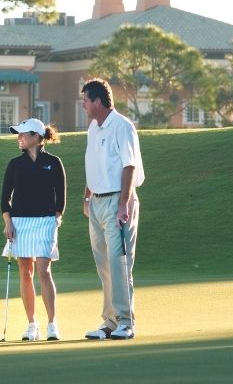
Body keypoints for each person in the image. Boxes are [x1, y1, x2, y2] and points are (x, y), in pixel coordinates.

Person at [80, 78, 145, 340]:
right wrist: (87, 197)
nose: (83, 105)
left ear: (97, 101)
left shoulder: (122, 126)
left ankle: (127, 321)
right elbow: (93, 165)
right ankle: (110, 321)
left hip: (118, 201)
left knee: (120, 264)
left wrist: (122, 205)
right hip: (96, 202)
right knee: (104, 264)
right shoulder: (93, 128)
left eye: (85, 100)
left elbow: (129, 166)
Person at [1, 118, 67, 341]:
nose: (19, 138)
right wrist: (8, 222)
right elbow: (4, 199)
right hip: (20, 222)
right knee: (25, 272)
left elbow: (61, 198)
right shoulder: (14, 164)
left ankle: (52, 324)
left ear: (37, 138)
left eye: (23, 134)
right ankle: (32, 325)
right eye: (18, 134)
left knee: (43, 271)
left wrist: (56, 219)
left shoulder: (54, 162)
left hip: (45, 222)